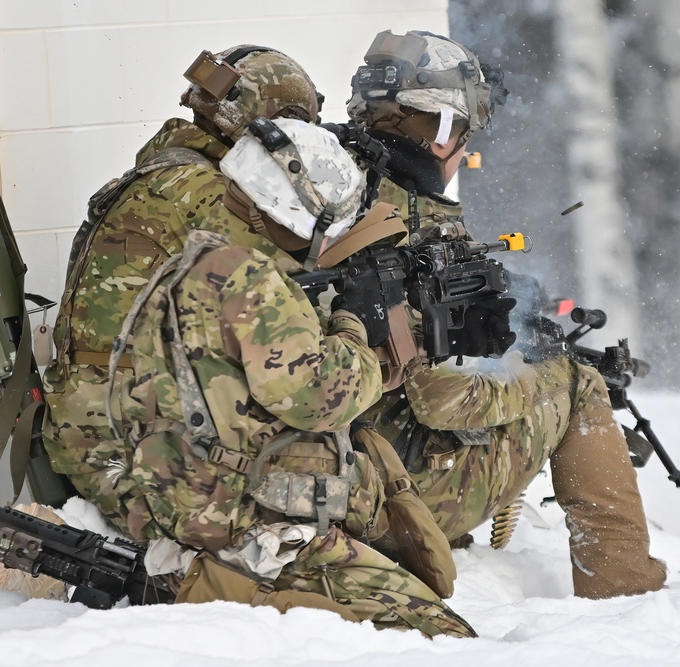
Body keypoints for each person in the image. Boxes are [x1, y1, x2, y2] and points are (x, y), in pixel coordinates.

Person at [33, 45, 473, 636]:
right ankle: (199, 583)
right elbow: (307, 353)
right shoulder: (210, 199)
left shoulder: (170, 172)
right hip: (120, 445)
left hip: (104, 411)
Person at [345, 30, 668, 599]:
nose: (458, 148)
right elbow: (449, 401)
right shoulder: (413, 225)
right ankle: (626, 589)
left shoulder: (310, 195)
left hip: (310, 484)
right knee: (578, 383)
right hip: (385, 503)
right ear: (442, 128)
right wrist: (541, 377)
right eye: (459, 132)